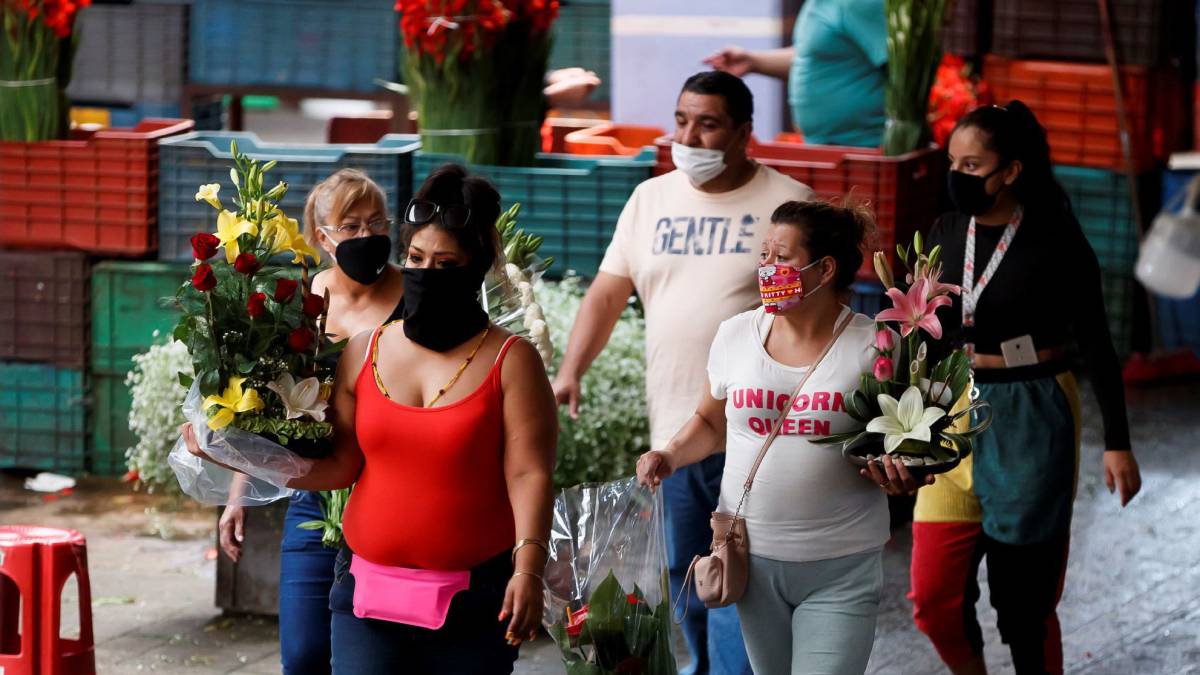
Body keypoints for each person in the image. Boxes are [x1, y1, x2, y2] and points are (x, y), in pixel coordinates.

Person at [553, 70, 813, 675]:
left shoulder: (789, 204)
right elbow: (607, 292)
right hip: (677, 434)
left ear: (744, 132)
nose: (688, 137)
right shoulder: (651, 200)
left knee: (748, 576)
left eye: (708, 124)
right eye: (681, 120)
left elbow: (817, 310)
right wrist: (571, 370)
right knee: (686, 572)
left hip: (761, 431)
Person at [267, 164, 554, 674]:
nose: (426, 273)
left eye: (446, 263)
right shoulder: (365, 350)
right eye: (417, 259)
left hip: (473, 601)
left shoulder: (511, 361)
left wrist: (528, 569)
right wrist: (244, 453)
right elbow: (341, 465)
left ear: (476, 267)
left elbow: (529, 472)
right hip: (366, 595)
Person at [636, 200, 927, 675]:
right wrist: (669, 454)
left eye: (782, 257)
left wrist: (902, 473)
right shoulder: (735, 335)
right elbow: (709, 422)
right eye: (764, 255)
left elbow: (903, 440)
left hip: (842, 563)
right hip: (750, 559)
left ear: (825, 269)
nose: (767, 268)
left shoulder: (875, 345)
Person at [909, 101, 1143, 675]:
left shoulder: (1054, 235)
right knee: (934, 600)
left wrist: (1118, 441)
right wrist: (908, 422)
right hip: (953, 409)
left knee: (1024, 606)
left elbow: (1097, 341)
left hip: (1032, 408)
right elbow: (925, 333)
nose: (958, 176)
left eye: (972, 166)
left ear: (1010, 171)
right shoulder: (946, 230)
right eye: (953, 164)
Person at [216, 168, 404, 675]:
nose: (368, 235)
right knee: (301, 655)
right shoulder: (301, 299)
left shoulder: (414, 297)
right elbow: (265, 402)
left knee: (368, 659)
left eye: (377, 223)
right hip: (314, 495)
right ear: (322, 238)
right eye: (352, 226)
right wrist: (239, 495)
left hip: (389, 497)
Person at [704, 0, 886, 147]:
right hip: (825, 148)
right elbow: (817, 58)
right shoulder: (818, 4)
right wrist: (753, 61)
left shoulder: (860, 4)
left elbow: (900, 72)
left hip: (866, 149)